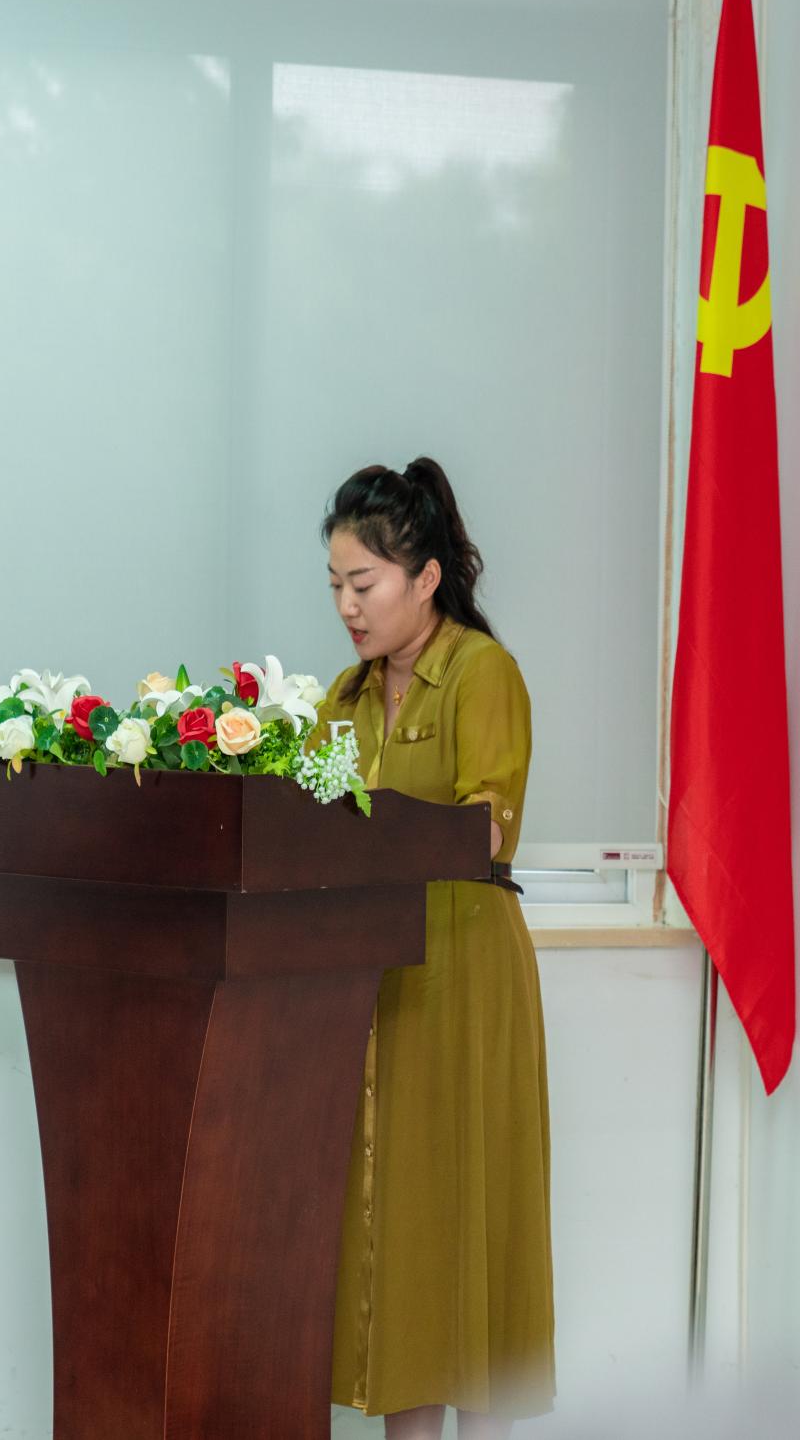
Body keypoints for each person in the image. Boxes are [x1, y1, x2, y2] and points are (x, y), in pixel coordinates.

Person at [316, 458, 556, 1438]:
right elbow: (308, 821)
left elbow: (486, 825)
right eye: (334, 584)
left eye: (362, 584)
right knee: (396, 1231)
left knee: (470, 1217)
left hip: (463, 973)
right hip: (374, 983)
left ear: (424, 578)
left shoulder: (481, 671)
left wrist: (370, 828)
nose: (346, 606)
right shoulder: (345, 696)